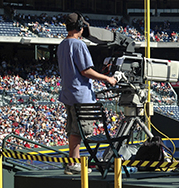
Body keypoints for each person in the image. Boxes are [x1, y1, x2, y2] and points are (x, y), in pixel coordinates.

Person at [57, 12, 117, 175]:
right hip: (81, 95)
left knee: (72, 130)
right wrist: (107, 78)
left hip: (68, 94)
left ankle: (72, 163)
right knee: (79, 131)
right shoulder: (78, 45)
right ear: (80, 27)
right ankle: (75, 164)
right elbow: (86, 71)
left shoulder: (62, 44)